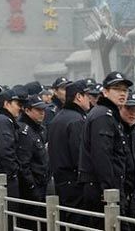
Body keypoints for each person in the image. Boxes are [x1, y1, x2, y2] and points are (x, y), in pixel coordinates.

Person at [79, 71, 132, 228]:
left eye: (125, 90)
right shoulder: (104, 116)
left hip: (105, 188)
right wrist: (109, 191)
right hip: (102, 191)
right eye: (117, 89)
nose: (122, 93)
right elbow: (102, 156)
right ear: (105, 91)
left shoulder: (110, 115)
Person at [48, 80, 90, 225]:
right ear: (79, 96)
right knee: (78, 223)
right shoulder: (76, 120)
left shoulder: (58, 117)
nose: (90, 99)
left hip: (61, 180)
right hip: (75, 182)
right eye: (87, 95)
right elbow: (80, 156)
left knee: (65, 222)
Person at [17, 94, 50, 229]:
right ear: (27, 110)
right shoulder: (25, 131)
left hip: (42, 184)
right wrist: (32, 187)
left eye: (43, 110)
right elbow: (23, 164)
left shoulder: (39, 129)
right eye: (38, 110)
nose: (42, 113)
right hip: (32, 189)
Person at [119, 91, 135, 230]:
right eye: (129, 108)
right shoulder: (116, 131)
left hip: (134, 194)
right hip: (119, 194)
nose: (132, 113)